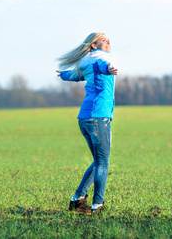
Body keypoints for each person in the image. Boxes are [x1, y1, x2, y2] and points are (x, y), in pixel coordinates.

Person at [56, 32, 118, 215]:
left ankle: (77, 199)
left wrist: (63, 75)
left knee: (98, 161)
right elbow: (103, 66)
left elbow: (75, 76)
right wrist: (109, 69)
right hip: (99, 117)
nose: (108, 41)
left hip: (84, 118)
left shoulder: (87, 62)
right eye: (103, 39)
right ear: (93, 45)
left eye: (108, 39)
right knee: (103, 162)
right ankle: (97, 205)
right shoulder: (101, 59)